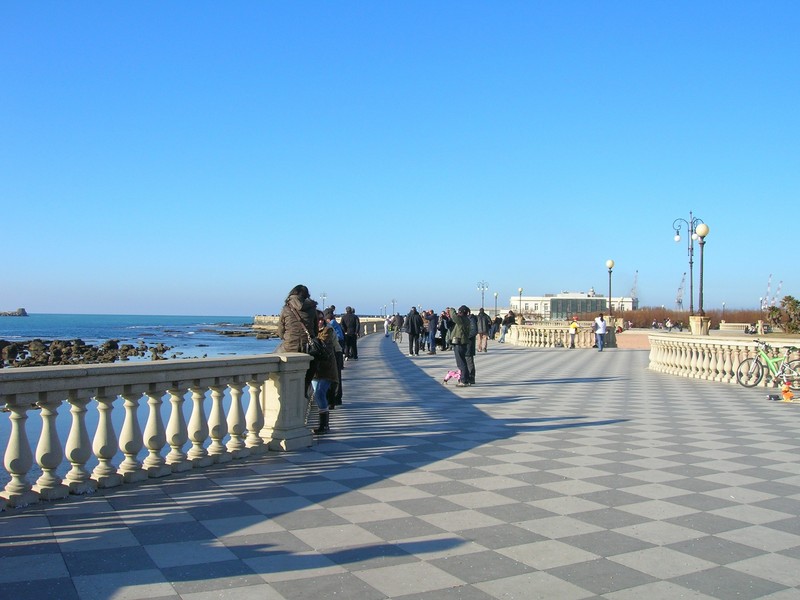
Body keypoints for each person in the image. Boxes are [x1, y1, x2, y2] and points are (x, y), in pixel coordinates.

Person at [275, 284, 318, 394]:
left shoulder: (286, 309)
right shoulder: (312, 308)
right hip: (307, 347)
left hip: (290, 346)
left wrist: (287, 338)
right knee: (312, 367)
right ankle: (305, 390)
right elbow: (315, 330)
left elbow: (280, 331)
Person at [310, 310, 338, 434]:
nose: (320, 321)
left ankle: (324, 425)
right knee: (317, 394)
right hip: (315, 369)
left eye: (322, 319)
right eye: (318, 319)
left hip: (327, 368)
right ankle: (323, 424)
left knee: (320, 393)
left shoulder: (328, 330)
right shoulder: (311, 331)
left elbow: (321, 344)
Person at [324, 309, 344, 409]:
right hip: (337, 350)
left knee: (333, 377)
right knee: (336, 376)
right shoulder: (333, 324)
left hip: (334, 352)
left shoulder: (329, 326)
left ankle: (332, 399)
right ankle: (336, 399)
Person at [448, 305, 472, 386]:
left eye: (459, 311)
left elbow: (453, 316)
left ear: (461, 312)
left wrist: (451, 309)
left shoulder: (461, 320)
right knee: (463, 361)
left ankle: (463, 380)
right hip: (463, 342)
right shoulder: (467, 319)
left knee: (461, 363)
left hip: (459, 342)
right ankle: (467, 379)